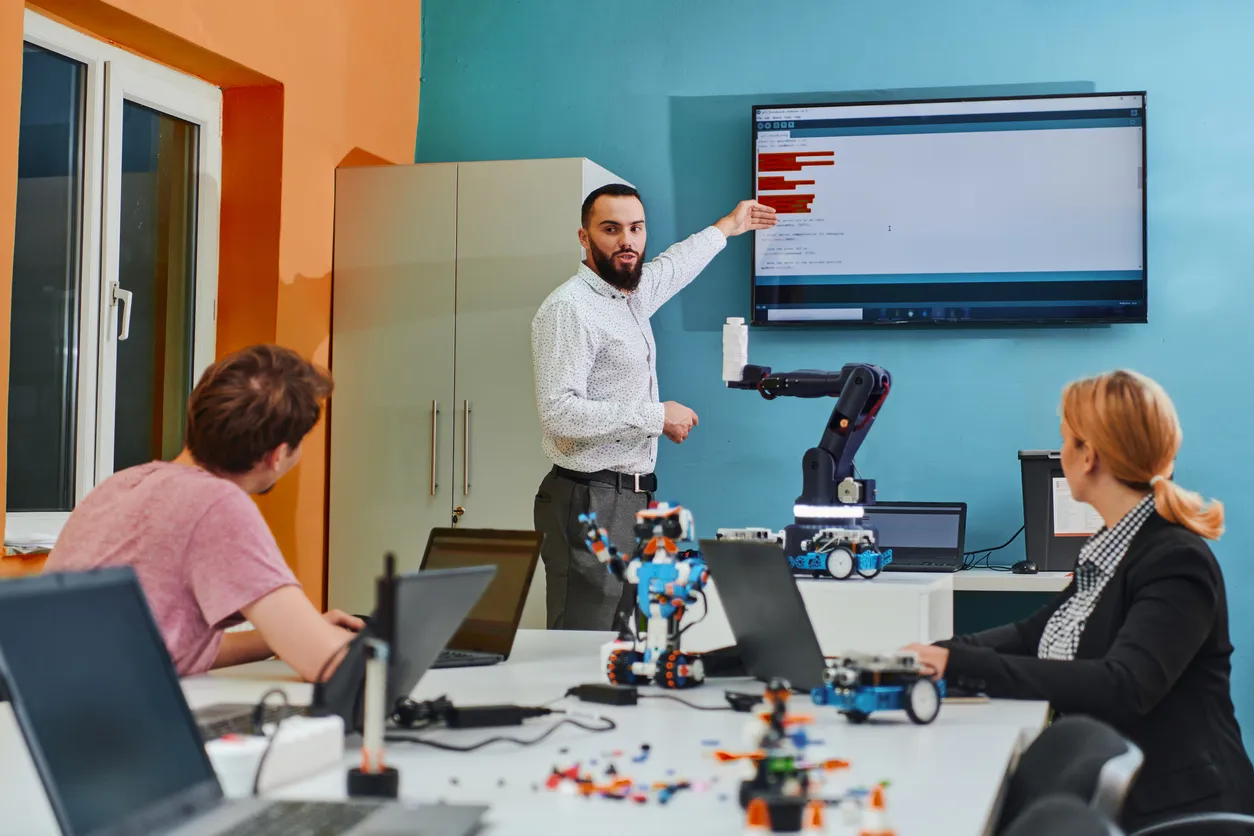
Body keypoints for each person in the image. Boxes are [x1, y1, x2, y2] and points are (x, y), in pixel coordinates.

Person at [904, 370, 1254, 830]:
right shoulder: (1112, 548)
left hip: (1183, 810)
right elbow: (1031, 635)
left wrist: (959, 668)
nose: (1062, 451)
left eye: (1066, 440)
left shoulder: (1176, 561)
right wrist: (935, 655)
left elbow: (1123, 685)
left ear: (1087, 455)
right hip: (1131, 795)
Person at [532, 183, 776, 630]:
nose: (627, 241)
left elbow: (675, 265)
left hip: (631, 499)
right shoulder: (570, 309)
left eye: (636, 228)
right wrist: (656, 415)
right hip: (588, 498)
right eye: (611, 229)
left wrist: (727, 227)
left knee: (629, 640)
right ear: (584, 238)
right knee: (585, 641)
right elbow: (559, 412)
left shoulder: (630, 295)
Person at [46, 344, 363, 681]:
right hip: (109, 718)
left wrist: (293, 634)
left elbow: (171, 648)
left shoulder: (121, 485)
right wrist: (389, 648)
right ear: (278, 454)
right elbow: (326, 664)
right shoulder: (217, 504)